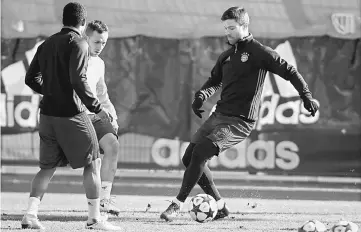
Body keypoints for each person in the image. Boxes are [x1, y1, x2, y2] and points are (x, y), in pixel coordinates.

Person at [160, 6, 319, 222]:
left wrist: (306, 95)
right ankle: (221, 206)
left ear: (244, 26)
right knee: (189, 158)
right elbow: (214, 81)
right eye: (226, 28)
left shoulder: (259, 52)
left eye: (232, 28)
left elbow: (289, 71)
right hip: (218, 116)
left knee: (200, 153)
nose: (228, 32)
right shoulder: (226, 56)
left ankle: (177, 204)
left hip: (240, 122)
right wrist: (201, 96)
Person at [21, 2, 122, 231]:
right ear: (83, 22)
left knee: (47, 167)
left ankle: (30, 214)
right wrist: (96, 108)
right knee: (94, 161)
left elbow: (30, 78)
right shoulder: (80, 43)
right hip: (71, 114)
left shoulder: (46, 43)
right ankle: (94, 219)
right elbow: (79, 80)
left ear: (63, 20)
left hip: (46, 114)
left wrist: (51, 92)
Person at [84, 20, 121, 216]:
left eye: (104, 43)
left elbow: (102, 94)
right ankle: (33, 208)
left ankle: (105, 200)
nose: (100, 47)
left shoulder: (99, 63)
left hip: (93, 116)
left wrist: (112, 115)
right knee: (50, 165)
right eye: (97, 42)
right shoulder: (74, 58)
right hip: (73, 117)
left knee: (112, 145)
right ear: (86, 38)